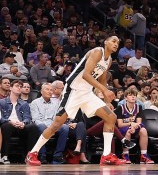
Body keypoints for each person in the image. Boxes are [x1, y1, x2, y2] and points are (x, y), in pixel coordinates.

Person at [25, 35, 128, 165]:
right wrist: (104, 89)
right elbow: (86, 75)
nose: (116, 44)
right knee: (56, 125)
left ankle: (106, 155)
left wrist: (106, 100)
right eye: (113, 41)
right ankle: (32, 153)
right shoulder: (97, 52)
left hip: (87, 92)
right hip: (73, 90)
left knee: (111, 117)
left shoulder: (109, 60)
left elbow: (102, 80)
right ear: (106, 42)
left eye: (118, 42)